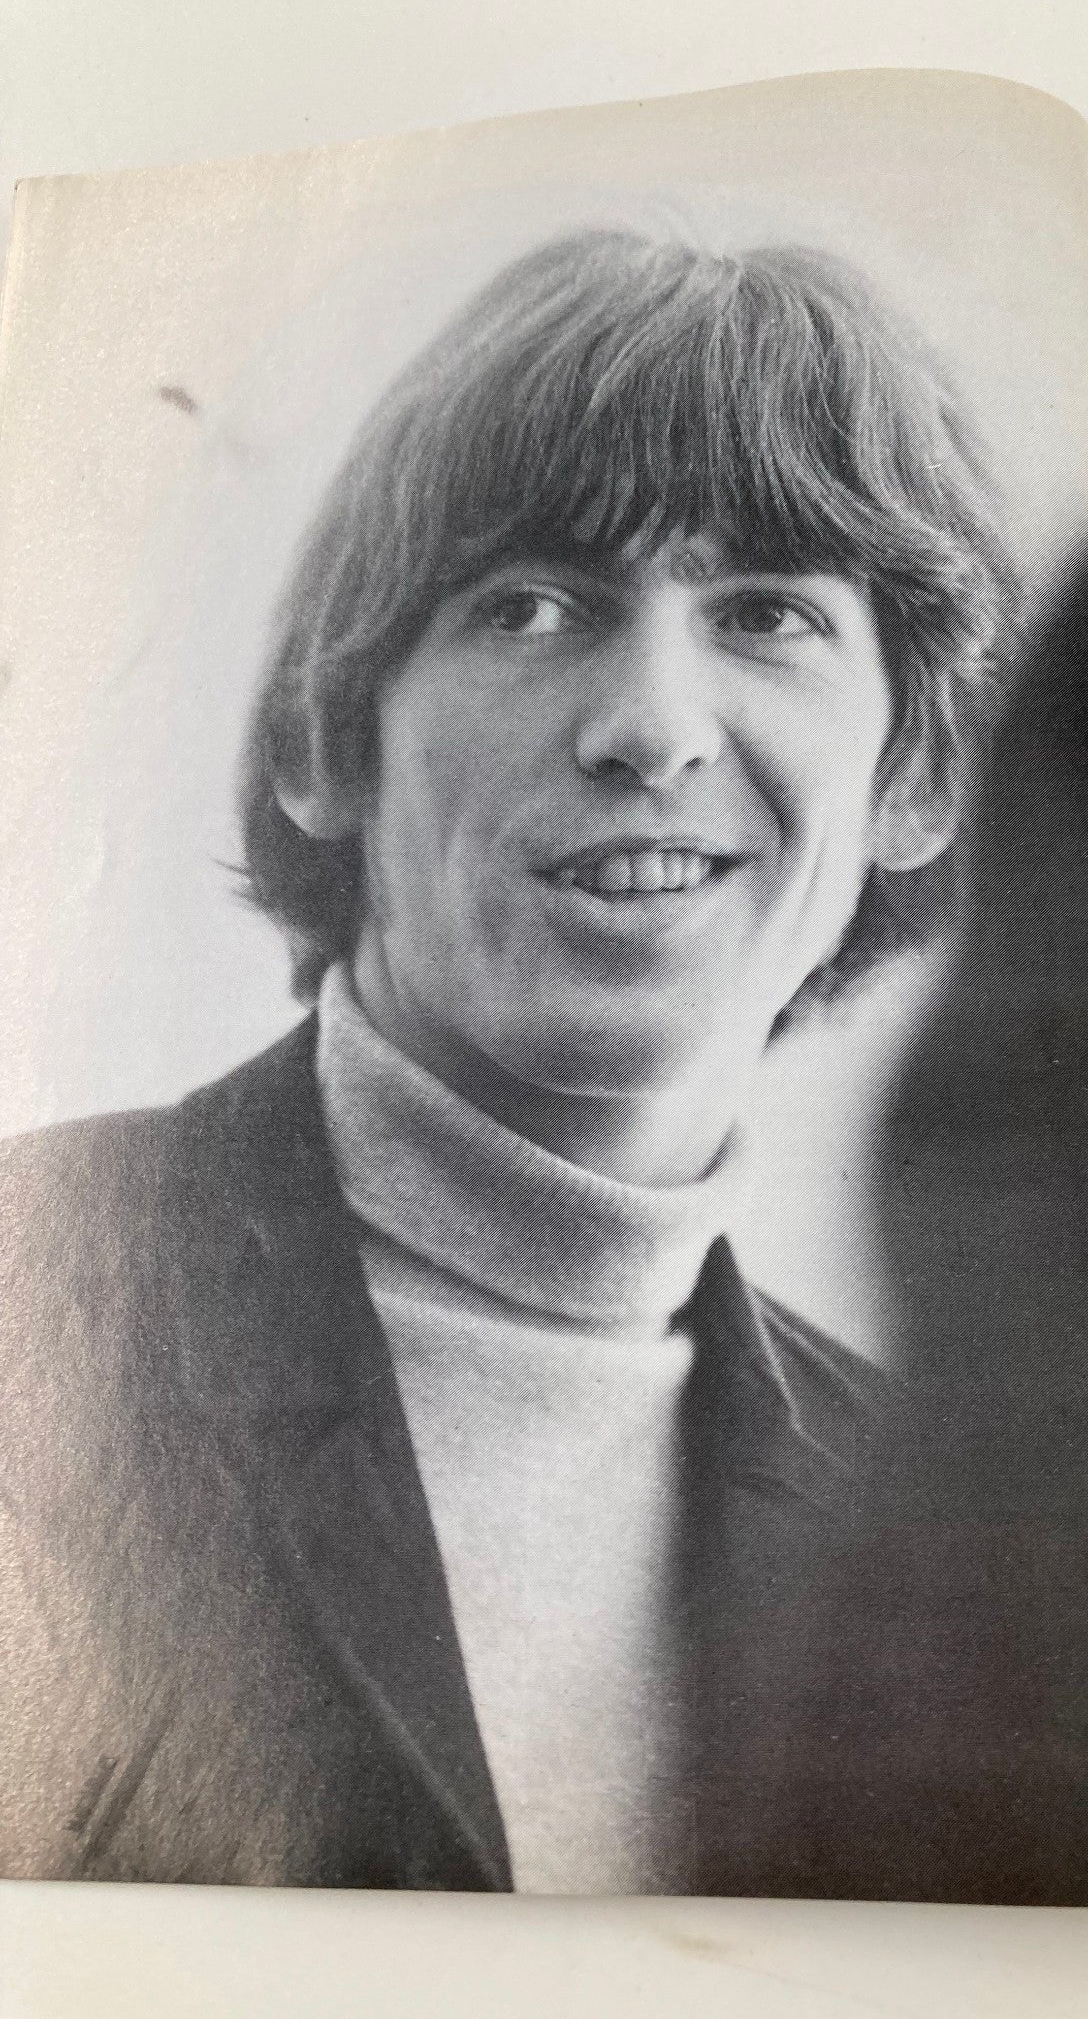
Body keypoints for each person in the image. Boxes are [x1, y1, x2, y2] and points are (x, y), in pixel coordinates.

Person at [0, 228, 1024, 1897]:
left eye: (768, 612)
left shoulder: (930, 1528)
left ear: (911, 778)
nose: (652, 728)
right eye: (532, 607)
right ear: (328, 743)